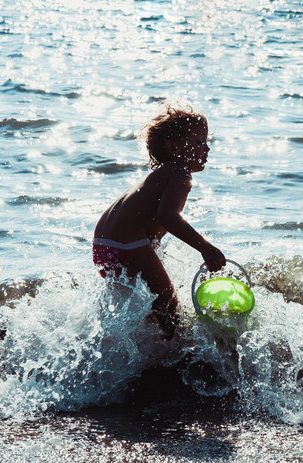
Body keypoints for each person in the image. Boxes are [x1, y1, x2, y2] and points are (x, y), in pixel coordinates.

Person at [93, 103, 226, 337]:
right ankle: (176, 351)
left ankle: (145, 343)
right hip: (129, 245)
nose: (206, 149)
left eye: (207, 142)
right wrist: (205, 248)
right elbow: (168, 217)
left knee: (151, 303)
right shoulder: (180, 174)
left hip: (104, 247)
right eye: (198, 142)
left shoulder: (161, 174)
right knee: (168, 305)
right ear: (173, 147)